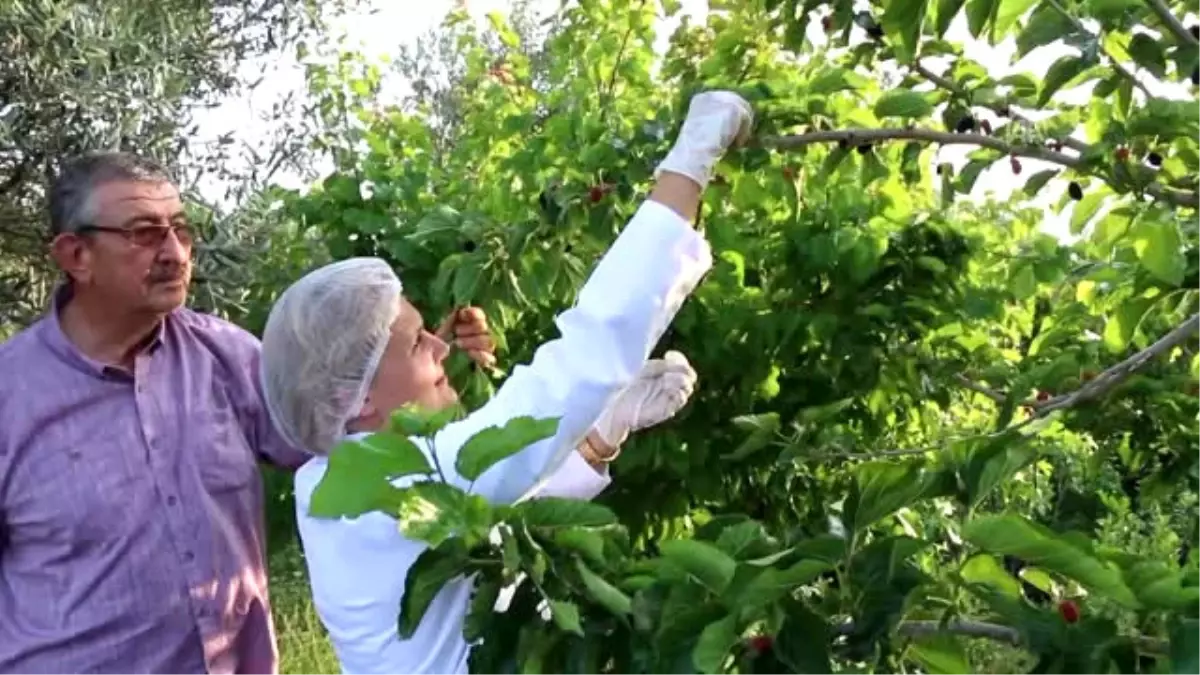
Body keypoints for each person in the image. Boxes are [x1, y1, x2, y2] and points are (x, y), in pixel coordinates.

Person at [259, 89, 754, 674]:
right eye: (419, 341)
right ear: (359, 396)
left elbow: (496, 521)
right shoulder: (392, 488)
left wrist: (600, 438)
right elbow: (582, 359)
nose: (442, 345)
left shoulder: (337, 481)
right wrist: (692, 160)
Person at [0, 150, 492, 673]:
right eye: (145, 233)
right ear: (76, 255)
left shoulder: (227, 358)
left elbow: (357, 435)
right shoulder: (13, 397)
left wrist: (428, 369)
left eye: (181, 230)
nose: (174, 252)